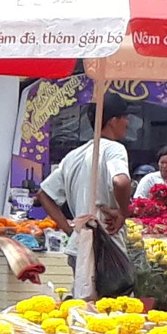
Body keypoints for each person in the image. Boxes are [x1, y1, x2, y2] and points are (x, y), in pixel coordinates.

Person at [37, 93, 135, 266]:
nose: (127, 123)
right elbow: (121, 181)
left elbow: (44, 194)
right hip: (106, 246)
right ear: (113, 120)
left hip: (78, 245)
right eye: (125, 117)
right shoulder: (115, 149)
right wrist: (123, 212)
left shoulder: (74, 155)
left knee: (81, 293)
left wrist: (70, 231)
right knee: (112, 294)